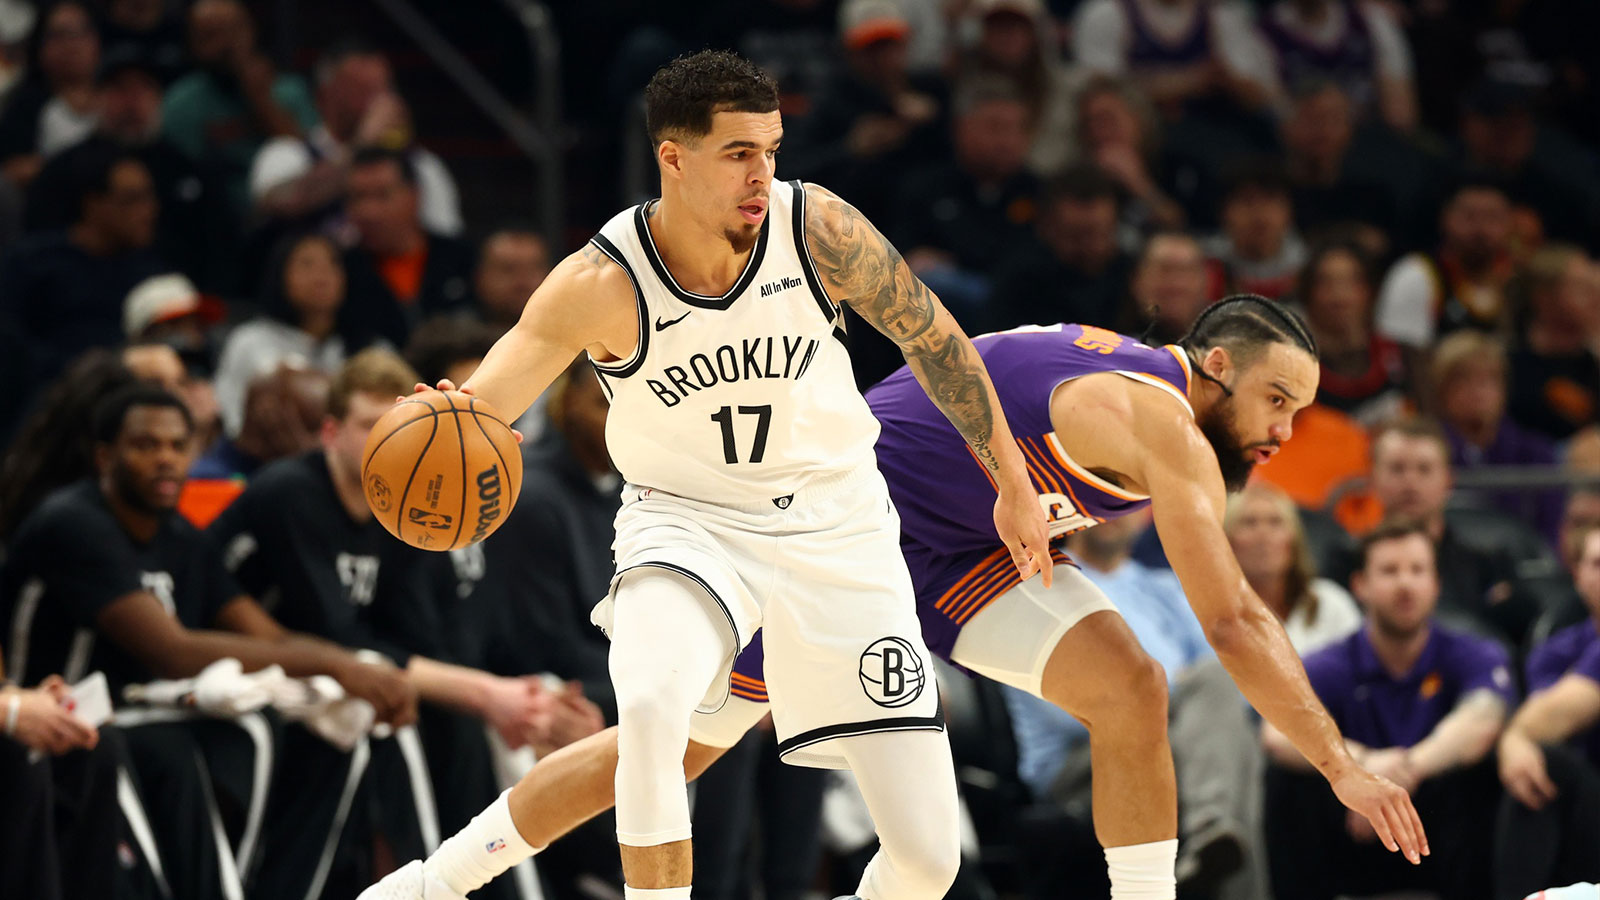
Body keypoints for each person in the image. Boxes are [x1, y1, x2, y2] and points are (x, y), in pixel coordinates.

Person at [366, 296, 1430, 900]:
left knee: (1130, 685)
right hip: (832, 542)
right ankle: (430, 886)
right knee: (678, 753)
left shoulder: (1150, 400)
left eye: (1301, 408)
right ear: (1211, 367)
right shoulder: (1162, 426)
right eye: (1276, 398)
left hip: (954, 553)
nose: (1286, 430)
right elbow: (1235, 619)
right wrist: (1340, 764)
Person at [365, 48, 1054, 900]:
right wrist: (450, 416)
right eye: (738, 153)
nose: (762, 174)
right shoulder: (598, 283)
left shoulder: (820, 231)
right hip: (691, 526)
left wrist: (1011, 484)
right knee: (652, 714)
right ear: (674, 158)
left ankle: (428, 883)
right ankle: (434, 887)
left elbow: (936, 339)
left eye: (770, 151)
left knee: (926, 860)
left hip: (839, 530)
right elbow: (484, 408)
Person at [1, 383, 417, 899]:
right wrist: (338, 665)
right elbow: (171, 651)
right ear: (105, 455)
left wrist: (350, 670)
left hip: (146, 708)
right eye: (146, 445)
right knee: (193, 747)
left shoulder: (181, 537)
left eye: (178, 445)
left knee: (325, 738)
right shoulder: (73, 524)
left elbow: (267, 635)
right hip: (57, 704)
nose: (166, 459)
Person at [1004, 512, 1263, 894]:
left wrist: (1160, 693)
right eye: (1100, 500)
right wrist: (1163, 688)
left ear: (1142, 516)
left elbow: (1225, 685)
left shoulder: (1163, 588)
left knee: (1223, 708)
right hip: (1080, 760)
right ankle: (1211, 836)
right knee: (1228, 752)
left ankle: (1212, 838)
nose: (1110, 513)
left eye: (1121, 501)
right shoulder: (1041, 588)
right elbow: (1068, 713)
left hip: (1172, 739)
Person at [1262, 518, 1512, 900]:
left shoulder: (1471, 651)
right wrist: (1358, 770)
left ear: (1436, 584)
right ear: (1360, 585)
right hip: (1351, 828)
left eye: (1417, 570)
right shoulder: (1331, 662)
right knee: (1286, 782)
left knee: (1485, 772)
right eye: (1390, 571)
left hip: (1437, 822)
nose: (1405, 584)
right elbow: (1276, 734)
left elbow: (1483, 719)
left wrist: (1404, 772)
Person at [24, 45, 234, 291]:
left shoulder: (189, 171)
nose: (132, 100)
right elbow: (38, 249)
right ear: (97, 97)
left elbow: (221, 255)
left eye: (144, 86)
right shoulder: (64, 171)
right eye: (119, 88)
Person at [249, 37, 462, 237]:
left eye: (384, 88)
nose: (379, 102)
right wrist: (361, 144)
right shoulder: (287, 153)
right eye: (363, 90)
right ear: (325, 95)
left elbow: (443, 244)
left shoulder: (421, 164)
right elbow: (280, 204)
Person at [0, 143, 165, 384]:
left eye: (150, 196)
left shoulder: (151, 276)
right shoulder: (32, 264)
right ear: (94, 204)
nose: (149, 210)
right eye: (132, 199)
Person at [1494, 524, 1600, 900]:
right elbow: (1547, 721)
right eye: (1598, 563)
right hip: (1588, 807)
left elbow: (1559, 713)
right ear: (1577, 573)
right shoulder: (1556, 649)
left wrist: (1514, 738)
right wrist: (1518, 743)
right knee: (1536, 766)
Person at [160, 0, 317, 216]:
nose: (227, 45)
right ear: (193, 46)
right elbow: (181, 178)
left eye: (234, 30)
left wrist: (260, 100)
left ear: (251, 30)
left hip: (290, 212)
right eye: (211, 36)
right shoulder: (180, 104)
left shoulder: (289, 90)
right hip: (214, 219)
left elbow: (309, 160)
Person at [1431, 330, 1562, 543]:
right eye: (1464, 380)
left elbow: (1550, 537)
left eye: (1489, 380)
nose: (1478, 391)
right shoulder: (1426, 458)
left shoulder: (1537, 454)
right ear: (1442, 390)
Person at [339, 146, 475, 350]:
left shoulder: (463, 260)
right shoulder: (341, 273)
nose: (368, 211)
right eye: (358, 197)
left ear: (415, 196)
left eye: (382, 195)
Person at [214, 232, 348, 438]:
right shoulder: (250, 341)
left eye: (332, 264)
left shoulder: (366, 346)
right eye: (307, 264)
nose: (322, 275)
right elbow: (228, 413)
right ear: (281, 275)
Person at [984, 165, 1133, 335]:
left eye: (1103, 234)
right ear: (1047, 229)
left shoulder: (1131, 275)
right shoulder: (1020, 279)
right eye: (1078, 236)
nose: (1093, 247)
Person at [1375, 178, 1515, 353]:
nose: (1481, 229)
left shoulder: (1519, 279)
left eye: (1492, 218)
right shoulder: (1417, 275)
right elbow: (1399, 359)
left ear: (1510, 222)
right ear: (1445, 218)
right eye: (1469, 217)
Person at [1225, 481, 1361, 655]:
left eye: (1275, 522)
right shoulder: (1209, 610)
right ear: (1227, 540)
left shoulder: (1330, 603)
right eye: (1249, 523)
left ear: (1294, 539)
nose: (1263, 535)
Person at [1257, 0, 1417, 131]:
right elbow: (1278, 112)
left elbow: (1400, 113)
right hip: (1306, 145)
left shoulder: (1371, 19)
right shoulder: (1265, 33)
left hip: (1368, 143)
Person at [1295, 238, 1406, 426]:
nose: (1339, 296)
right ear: (1308, 293)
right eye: (1326, 283)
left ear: (1370, 291)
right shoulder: (1294, 365)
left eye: (1351, 282)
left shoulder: (1398, 353)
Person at [0, 0, 99, 188]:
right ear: (40, 46)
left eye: (80, 33)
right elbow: (11, 170)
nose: (72, 45)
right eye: (59, 35)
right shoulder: (24, 106)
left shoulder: (115, 96)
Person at [1507, 244, 1600, 442]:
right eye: (1581, 288)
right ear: (1544, 297)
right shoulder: (1510, 366)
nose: (1595, 297)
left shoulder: (1592, 363)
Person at [1205, 160, 1307, 300]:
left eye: (1270, 200)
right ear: (1224, 212)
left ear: (1290, 211)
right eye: (1247, 201)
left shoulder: (1312, 271)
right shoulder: (1202, 270)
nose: (1260, 215)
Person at [1121, 229, 1214, 345]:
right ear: (1137, 280)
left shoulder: (1228, 350)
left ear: (1206, 281)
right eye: (1165, 270)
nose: (1177, 284)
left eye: (1187, 271)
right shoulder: (1105, 345)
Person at [474, 228, 552, 335]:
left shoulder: (576, 340)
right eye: (508, 270)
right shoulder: (453, 338)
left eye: (533, 270)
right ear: (481, 277)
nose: (522, 282)